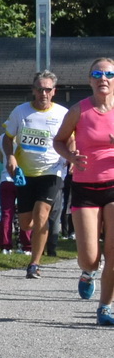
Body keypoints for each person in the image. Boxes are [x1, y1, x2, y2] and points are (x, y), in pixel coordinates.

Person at [54, 58, 114, 323]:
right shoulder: (79, 110)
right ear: (90, 80)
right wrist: (71, 157)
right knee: (90, 257)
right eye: (97, 74)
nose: (103, 78)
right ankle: (88, 272)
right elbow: (59, 140)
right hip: (85, 187)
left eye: (109, 74)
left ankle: (105, 307)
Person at [4, 71, 69, 279]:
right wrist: (10, 156)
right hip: (25, 173)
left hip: (52, 171)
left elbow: (71, 139)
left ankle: (34, 263)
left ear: (54, 91)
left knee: (42, 214)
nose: (43, 93)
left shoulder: (62, 113)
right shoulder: (20, 111)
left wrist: (71, 156)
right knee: (26, 223)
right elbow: (7, 137)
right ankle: (39, 230)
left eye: (48, 89)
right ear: (33, 90)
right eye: (40, 89)